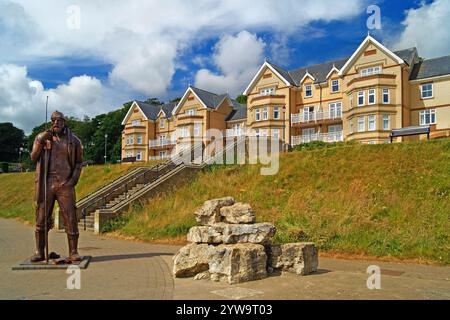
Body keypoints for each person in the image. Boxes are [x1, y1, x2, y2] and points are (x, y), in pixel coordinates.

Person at [30, 111, 83, 262]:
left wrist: (73, 179)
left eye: (59, 120)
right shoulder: (42, 137)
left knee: (70, 217)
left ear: (64, 122)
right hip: (46, 184)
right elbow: (34, 157)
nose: (56, 123)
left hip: (65, 184)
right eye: (54, 120)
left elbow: (79, 162)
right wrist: (40, 141)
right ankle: (40, 251)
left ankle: (73, 251)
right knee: (41, 218)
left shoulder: (74, 141)